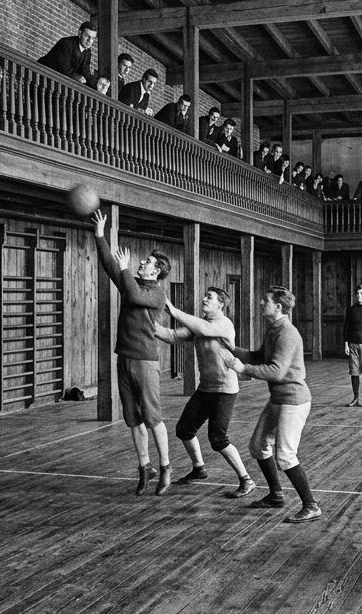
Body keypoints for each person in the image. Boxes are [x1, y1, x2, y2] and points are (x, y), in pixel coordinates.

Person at [91, 209, 174, 496]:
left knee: (152, 418)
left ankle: (165, 468)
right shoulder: (130, 283)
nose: (141, 262)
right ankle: (145, 468)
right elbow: (108, 265)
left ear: (156, 271)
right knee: (132, 418)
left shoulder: (157, 293)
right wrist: (100, 235)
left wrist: (125, 268)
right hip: (124, 358)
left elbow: (136, 295)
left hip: (145, 362)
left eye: (147, 262)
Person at [225, 286, 322, 523]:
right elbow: (260, 357)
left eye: (265, 300)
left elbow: (277, 371)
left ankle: (311, 506)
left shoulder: (287, 333)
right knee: (258, 446)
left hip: (293, 400)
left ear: (278, 307)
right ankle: (276, 495)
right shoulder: (273, 329)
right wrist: (230, 348)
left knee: (286, 456)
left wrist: (242, 369)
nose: (261, 303)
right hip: (278, 399)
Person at [151, 288, 258, 497]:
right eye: (205, 296)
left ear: (220, 304)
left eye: (209, 297)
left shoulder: (223, 324)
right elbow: (172, 335)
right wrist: (146, 323)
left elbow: (206, 329)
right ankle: (199, 468)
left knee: (218, 438)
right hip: (206, 388)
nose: (204, 299)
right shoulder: (198, 325)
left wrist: (173, 310)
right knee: (184, 429)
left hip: (225, 390)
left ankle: (247, 480)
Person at [36, 20, 96, 86]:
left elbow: (85, 72)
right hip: (40, 77)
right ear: (79, 33)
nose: (90, 41)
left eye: (93, 38)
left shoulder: (87, 51)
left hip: (55, 84)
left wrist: (97, 84)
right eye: (87, 36)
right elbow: (65, 70)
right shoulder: (66, 44)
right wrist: (77, 77)